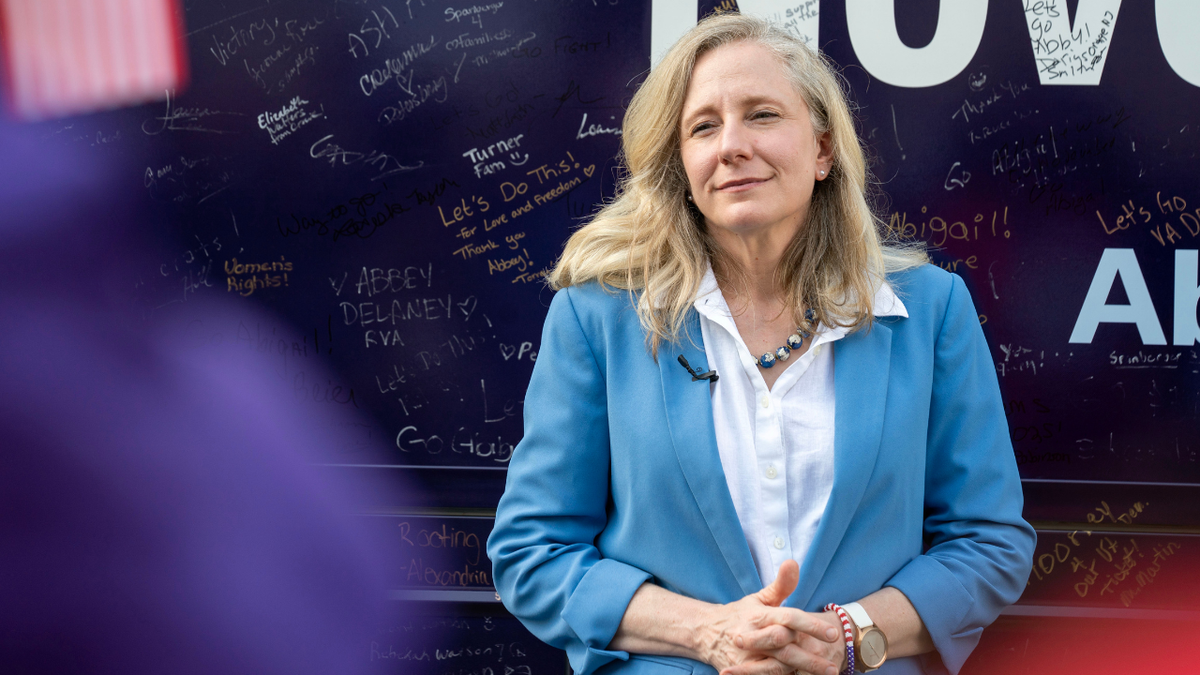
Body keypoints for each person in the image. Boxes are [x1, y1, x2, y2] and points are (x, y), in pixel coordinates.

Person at [487, 13, 1034, 675]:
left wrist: (847, 636)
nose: (731, 146)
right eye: (703, 126)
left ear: (823, 149)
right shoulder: (596, 318)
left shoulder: (930, 311)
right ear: (681, 165)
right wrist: (708, 633)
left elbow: (988, 543)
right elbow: (533, 553)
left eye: (762, 115)